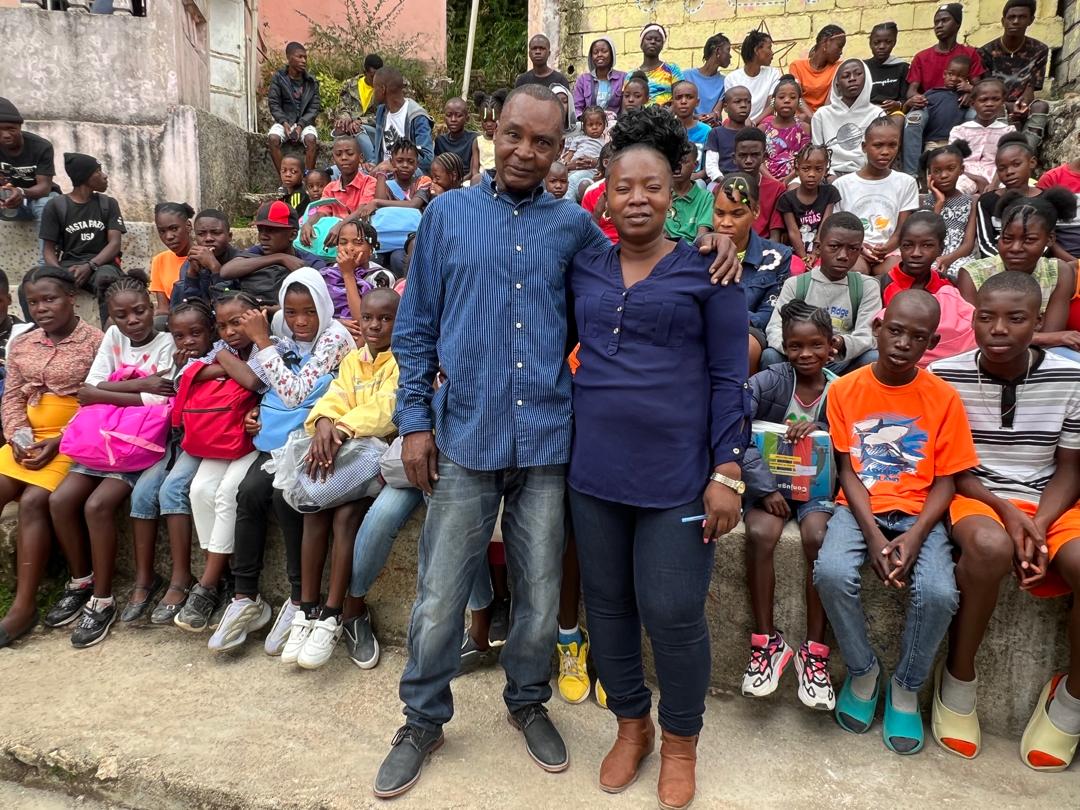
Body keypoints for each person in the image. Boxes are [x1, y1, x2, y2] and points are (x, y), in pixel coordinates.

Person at [374, 83, 737, 800]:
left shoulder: (575, 230)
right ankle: (421, 719)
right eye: (515, 135)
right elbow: (414, 328)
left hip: (548, 443)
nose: (525, 151)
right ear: (492, 131)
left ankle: (527, 702)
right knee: (440, 594)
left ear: (560, 150)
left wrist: (717, 238)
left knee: (542, 598)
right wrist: (415, 420)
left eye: (543, 142)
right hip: (467, 437)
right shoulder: (445, 217)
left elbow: (646, 259)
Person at [567, 105, 748, 810]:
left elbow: (729, 377)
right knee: (608, 607)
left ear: (675, 191)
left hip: (676, 476)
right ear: (604, 196)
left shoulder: (709, 268)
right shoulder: (584, 266)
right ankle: (631, 724)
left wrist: (727, 470)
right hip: (594, 474)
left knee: (672, 611)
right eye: (623, 187)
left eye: (651, 186)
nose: (636, 198)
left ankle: (680, 741)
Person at [814, 289, 976, 756]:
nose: (904, 343)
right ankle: (864, 672)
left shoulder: (943, 398)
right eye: (897, 330)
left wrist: (915, 534)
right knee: (831, 572)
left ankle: (905, 686)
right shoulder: (845, 389)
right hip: (859, 507)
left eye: (918, 337)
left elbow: (947, 480)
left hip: (921, 512)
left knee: (940, 591)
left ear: (932, 342)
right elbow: (847, 469)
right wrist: (873, 536)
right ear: (879, 327)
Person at [929, 271, 1080, 770]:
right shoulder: (946, 375)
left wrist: (1037, 525)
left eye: (1015, 319)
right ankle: (958, 677)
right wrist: (1010, 514)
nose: (998, 329)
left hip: (1051, 502)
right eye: (985, 317)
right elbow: (956, 470)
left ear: (1037, 322)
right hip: (979, 496)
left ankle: (1071, 699)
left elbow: (1069, 469)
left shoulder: (1069, 376)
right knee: (990, 548)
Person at [209, 268, 354, 655]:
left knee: (283, 497)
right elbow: (262, 383)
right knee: (249, 493)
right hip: (277, 438)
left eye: (308, 311)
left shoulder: (336, 337)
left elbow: (295, 392)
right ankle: (246, 597)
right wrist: (254, 409)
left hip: (315, 438)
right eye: (291, 312)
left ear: (323, 307)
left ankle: (296, 600)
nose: (300, 321)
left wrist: (262, 341)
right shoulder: (279, 332)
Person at [48, 278, 175, 648]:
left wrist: (108, 393)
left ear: (152, 307)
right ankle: (80, 581)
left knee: (97, 505)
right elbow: (87, 391)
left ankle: (102, 600)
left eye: (139, 310)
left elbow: (159, 402)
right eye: (121, 315)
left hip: (137, 445)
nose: (133, 320)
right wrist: (141, 386)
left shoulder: (166, 343)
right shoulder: (113, 340)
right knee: (59, 500)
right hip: (100, 439)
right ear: (111, 318)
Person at [281, 288, 400, 670]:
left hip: (376, 460)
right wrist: (325, 423)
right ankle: (307, 610)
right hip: (346, 455)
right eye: (367, 318)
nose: (375, 326)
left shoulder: (403, 360)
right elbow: (335, 396)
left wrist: (343, 428)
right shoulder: (353, 360)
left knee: (346, 516)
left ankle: (334, 614)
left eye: (385, 319)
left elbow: (387, 411)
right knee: (314, 509)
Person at [741, 300, 837, 710]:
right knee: (761, 533)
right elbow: (736, 429)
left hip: (816, 491)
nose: (805, 355)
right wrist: (764, 489)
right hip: (771, 488)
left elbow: (849, 446)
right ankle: (766, 643)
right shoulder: (766, 382)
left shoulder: (841, 390)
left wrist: (822, 428)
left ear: (831, 346)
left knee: (818, 536)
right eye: (796, 346)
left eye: (816, 345)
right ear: (784, 346)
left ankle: (815, 650)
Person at [0, 267, 103, 647]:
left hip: (74, 441)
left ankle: (23, 607)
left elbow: (98, 401)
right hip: (28, 439)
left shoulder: (95, 341)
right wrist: (16, 436)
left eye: (50, 299)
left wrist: (59, 439)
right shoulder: (23, 344)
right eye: (33, 302)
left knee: (32, 502)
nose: (41, 308)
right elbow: (11, 396)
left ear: (72, 296)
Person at [172, 292, 268, 632]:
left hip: (253, 440)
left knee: (229, 491)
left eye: (237, 322)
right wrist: (225, 364)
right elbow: (182, 377)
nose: (229, 332)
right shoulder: (223, 351)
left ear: (256, 317)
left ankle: (208, 584)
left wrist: (223, 364)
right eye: (223, 326)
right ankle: (220, 573)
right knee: (199, 489)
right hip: (220, 437)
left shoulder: (268, 346)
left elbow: (257, 381)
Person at [133, 299, 215, 625]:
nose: (189, 342)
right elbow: (171, 401)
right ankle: (144, 579)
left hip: (204, 441)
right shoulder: (179, 360)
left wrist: (191, 371)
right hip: (174, 440)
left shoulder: (220, 352)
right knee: (141, 492)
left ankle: (183, 578)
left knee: (173, 489)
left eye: (196, 333)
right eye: (180, 336)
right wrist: (181, 371)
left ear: (211, 330)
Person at [960, 191, 1080, 360]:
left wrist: (1051, 337)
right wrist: (1048, 337)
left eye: (1029, 240)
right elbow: (972, 335)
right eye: (1007, 238)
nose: (1015, 248)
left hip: (1043, 353)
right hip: (984, 355)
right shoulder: (973, 273)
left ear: (1050, 239)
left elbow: (1052, 334)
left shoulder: (1060, 272)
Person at [765, 213, 882, 373]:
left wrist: (838, 343)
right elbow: (774, 329)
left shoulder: (867, 286)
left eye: (853, 249)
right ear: (819, 248)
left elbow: (868, 336)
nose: (843, 256)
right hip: (800, 359)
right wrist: (803, 348)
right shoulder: (796, 284)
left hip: (840, 359)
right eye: (834, 246)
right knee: (770, 356)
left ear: (860, 250)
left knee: (872, 358)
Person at [712, 172, 795, 374]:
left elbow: (769, 313)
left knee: (744, 345)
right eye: (720, 213)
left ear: (756, 212)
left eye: (737, 214)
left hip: (748, 330)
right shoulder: (700, 252)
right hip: (704, 324)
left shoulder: (776, 257)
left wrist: (730, 316)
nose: (726, 222)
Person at [38, 152, 124, 327]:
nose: (104, 175)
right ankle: (40, 337)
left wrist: (90, 266)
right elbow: (48, 249)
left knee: (107, 280)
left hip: (101, 264)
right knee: (32, 283)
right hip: (69, 266)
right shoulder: (56, 206)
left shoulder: (108, 204)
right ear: (84, 176)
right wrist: (60, 274)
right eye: (98, 171)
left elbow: (114, 244)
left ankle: (111, 338)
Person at [881, 211, 977, 366]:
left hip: (948, 361)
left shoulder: (949, 285)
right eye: (908, 245)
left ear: (940, 249)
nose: (916, 253)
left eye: (927, 245)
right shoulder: (883, 285)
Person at [903, 4, 985, 175]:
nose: (939, 25)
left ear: (957, 24)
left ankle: (976, 171)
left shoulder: (970, 54)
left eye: (944, 20)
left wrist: (970, 90)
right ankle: (911, 176)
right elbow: (912, 90)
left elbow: (981, 86)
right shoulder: (922, 57)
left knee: (978, 117)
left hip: (959, 103)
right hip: (929, 104)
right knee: (914, 119)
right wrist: (916, 98)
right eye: (936, 22)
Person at [834, 118, 919, 275]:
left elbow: (902, 228)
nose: (885, 151)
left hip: (891, 250)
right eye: (878, 145)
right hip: (853, 247)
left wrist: (888, 247)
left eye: (892, 145)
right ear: (864, 147)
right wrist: (859, 246)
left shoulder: (906, 183)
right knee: (855, 272)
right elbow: (840, 228)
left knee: (894, 273)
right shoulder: (842, 185)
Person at [223, 200, 327, 307]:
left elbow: (318, 296)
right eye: (260, 230)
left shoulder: (310, 261)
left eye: (271, 230)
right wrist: (279, 258)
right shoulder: (257, 251)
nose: (263, 237)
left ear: (292, 235)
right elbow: (226, 271)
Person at [977, 0, 1050, 151]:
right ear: (1003, 21)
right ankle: (1003, 150)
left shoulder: (1039, 50)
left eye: (1022, 17)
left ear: (1031, 20)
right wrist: (1007, 105)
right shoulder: (986, 51)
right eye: (1011, 17)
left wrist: (1022, 105)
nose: (1016, 21)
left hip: (1023, 103)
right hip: (997, 103)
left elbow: (1031, 88)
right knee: (997, 107)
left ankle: (1026, 151)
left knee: (1041, 106)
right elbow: (987, 89)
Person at [811, 59, 882, 178]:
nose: (852, 79)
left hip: (865, 173)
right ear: (837, 84)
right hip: (829, 173)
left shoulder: (877, 114)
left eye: (858, 74)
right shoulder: (822, 115)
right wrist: (828, 174)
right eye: (846, 76)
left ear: (867, 78)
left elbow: (878, 151)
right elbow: (817, 151)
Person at [974, 132, 1039, 257]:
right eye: (1002, 168)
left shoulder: (1044, 198)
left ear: (1032, 162)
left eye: (1016, 164)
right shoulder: (987, 201)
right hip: (997, 263)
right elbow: (985, 243)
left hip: (1035, 262)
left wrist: (1026, 261)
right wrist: (1007, 263)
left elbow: (1047, 240)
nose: (1009, 172)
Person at [919, 141, 978, 277]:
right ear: (930, 174)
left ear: (961, 170)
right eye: (937, 171)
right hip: (929, 254)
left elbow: (968, 243)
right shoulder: (924, 201)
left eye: (951, 168)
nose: (944, 175)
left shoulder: (971, 201)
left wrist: (948, 259)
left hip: (958, 257)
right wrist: (939, 202)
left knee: (962, 273)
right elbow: (925, 234)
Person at [0, 98, 56, 237]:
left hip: (38, 198)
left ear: (20, 127)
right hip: (7, 204)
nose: (6, 135)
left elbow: (44, 187)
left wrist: (20, 191)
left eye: (11, 129)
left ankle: (46, 259)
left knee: (46, 204)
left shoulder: (41, 146)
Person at [947, 78, 1013, 194]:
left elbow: (1007, 161)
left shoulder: (1007, 131)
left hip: (998, 176)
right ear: (973, 103)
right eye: (983, 100)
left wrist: (994, 184)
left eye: (996, 99)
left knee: (1013, 191)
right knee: (957, 191)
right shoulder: (960, 131)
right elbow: (952, 162)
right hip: (966, 175)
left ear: (1002, 102)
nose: (989, 104)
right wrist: (978, 179)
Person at [777, 144, 841, 261]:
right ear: (797, 170)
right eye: (806, 169)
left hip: (822, 249)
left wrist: (816, 252)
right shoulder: (787, 199)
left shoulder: (830, 193)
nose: (811, 174)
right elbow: (793, 232)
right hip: (795, 253)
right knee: (795, 269)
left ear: (825, 171)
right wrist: (804, 258)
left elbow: (825, 224)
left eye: (818, 169)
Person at [267, 42, 320, 173]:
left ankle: (308, 181)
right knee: (273, 138)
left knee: (311, 140)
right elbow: (274, 103)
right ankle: (285, 182)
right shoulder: (279, 78)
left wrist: (300, 125)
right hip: (284, 121)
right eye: (300, 57)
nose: (304, 61)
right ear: (289, 58)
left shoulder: (311, 82)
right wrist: (284, 123)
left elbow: (314, 108)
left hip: (305, 123)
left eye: (305, 58)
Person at [173, 209, 242, 307]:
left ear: (229, 236)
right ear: (195, 237)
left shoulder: (241, 261)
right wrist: (192, 275)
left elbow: (231, 304)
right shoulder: (190, 263)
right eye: (201, 234)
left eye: (216, 233)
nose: (208, 238)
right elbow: (186, 306)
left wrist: (215, 269)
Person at [372, 66, 434, 174]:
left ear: (383, 89)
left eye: (374, 88)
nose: (373, 92)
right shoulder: (381, 112)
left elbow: (427, 158)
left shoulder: (417, 117)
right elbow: (379, 153)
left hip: (406, 174)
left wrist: (392, 164)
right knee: (337, 171)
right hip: (382, 172)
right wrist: (373, 164)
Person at [332, 53, 384, 164]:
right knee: (339, 129)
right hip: (350, 126)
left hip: (372, 130)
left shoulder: (383, 89)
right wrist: (345, 118)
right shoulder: (351, 85)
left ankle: (372, 162)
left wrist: (361, 121)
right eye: (372, 75)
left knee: (358, 129)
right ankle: (341, 165)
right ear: (365, 72)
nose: (376, 79)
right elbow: (342, 106)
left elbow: (384, 114)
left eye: (379, 75)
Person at [733, 128, 784, 240]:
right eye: (742, 155)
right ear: (734, 158)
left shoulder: (777, 189)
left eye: (755, 155)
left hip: (763, 247)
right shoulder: (723, 188)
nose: (748, 160)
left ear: (764, 157)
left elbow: (775, 237)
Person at [760, 76, 811, 184]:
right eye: (781, 97)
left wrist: (787, 180)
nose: (787, 100)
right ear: (773, 101)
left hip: (795, 179)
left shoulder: (803, 128)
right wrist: (773, 181)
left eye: (792, 97)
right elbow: (759, 160)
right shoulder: (763, 129)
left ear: (799, 102)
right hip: (766, 178)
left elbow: (804, 160)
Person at [918, 55, 973, 153]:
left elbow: (985, 95)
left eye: (960, 76)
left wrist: (971, 90)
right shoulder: (932, 93)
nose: (954, 78)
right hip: (933, 142)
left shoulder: (967, 96)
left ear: (966, 80)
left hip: (957, 142)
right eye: (950, 74)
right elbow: (916, 107)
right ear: (944, 74)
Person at [725, 31, 782, 123]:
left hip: (763, 123)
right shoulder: (732, 78)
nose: (772, 53)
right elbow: (733, 108)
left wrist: (754, 122)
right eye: (769, 48)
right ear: (756, 50)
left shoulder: (773, 73)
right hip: (739, 122)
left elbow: (771, 105)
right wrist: (746, 121)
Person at [149, 202, 193, 317]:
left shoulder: (204, 256)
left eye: (174, 228)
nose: (168, 237)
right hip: (175, 320)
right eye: (162, 231)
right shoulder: (159, 260)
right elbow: (163, 308)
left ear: (188, 226)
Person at [789, 25, 847, 114]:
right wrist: (813, 119)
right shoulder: (797, 66)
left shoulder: (839, 67)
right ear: (826, 42)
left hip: (826, 117)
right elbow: (797, 97)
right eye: (839, 46)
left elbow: (831, 100)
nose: (841, 51)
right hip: (801, 121)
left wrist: (820, 120)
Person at [703, 85, 751, 182]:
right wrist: (725, 182)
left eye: (748, 101)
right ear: (725, 107)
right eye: (737, 101)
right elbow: (711, 167)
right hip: (721, 181)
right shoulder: (716, 133)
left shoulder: (753, 134)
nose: (743, 105)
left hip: (748, 181)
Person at [666, 148, 713, 243]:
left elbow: (702, 235)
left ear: (695, 165)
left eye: (684, 162)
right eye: (673, 161)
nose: (677, 167)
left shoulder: (706, 198)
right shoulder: (660, 195)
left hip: (692, 252)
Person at [573, 36, 626, 118]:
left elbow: (627, 107)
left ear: (612, 54)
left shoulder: (623, 78)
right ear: (591, 57)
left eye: (604, 51)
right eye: (595, 52)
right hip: (589, 126)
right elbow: (577, 108)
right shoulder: (583, 80)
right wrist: (584, 119)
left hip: (616, 126)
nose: (599, 55)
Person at [684, 33, 731, 124]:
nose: (730, 56)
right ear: (718, 51)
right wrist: (694, 117)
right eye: (728, 50)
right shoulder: (687, 76)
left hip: (712, 128)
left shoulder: (725, 81)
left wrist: (714, 115)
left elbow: (717, 110)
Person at [864, 22, 909, 115]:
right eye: (876, 42)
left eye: (888, 42)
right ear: (870, 43)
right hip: (866, 113)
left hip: (892, 114)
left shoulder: (902, 67)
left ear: (894, 42)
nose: (882, 47)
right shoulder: (863, 67)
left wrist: (898, 104)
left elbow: (906, 99)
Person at [637, 24, 683, 107]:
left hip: (667, 117)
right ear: (641, 43)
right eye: (649, 39)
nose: (653, 42)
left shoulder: (672, 69)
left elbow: (680, 97)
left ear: (662, 45)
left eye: (658, 40)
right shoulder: (631, 75)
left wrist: (667, 115)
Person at [434, 97, 479, 181]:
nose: (453, 119)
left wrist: (457, 185)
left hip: (467, 183)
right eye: (449, 115)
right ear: (444, 118)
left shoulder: (474, 139)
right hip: (445, 182)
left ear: (467, 118)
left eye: (458, 115)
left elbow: (472, 172)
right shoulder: (440, 141)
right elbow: (437, 169)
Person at [671, 82, 710, 171]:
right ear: (672, 102)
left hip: (698, 179)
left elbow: (707, 168)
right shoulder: (667, 129)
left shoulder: (706, 131)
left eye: (689, 97)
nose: (683, 101)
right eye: (678, 98)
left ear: (697, 102)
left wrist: (694, 178)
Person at [473, 89, 505, 179]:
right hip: (480, 180)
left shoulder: (504, 141)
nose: (489, 124)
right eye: (485, 120)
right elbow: (474, 169)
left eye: (493, 120)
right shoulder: (477, 141)